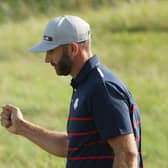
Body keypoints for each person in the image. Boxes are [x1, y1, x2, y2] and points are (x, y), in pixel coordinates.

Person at [0, 15, 143, 168]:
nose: (47, 59)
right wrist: (21, 127)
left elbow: (127, 154)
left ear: (73, 49)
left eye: (52, 51)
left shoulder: (102, 88)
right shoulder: (85, 86)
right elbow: (72, 146)